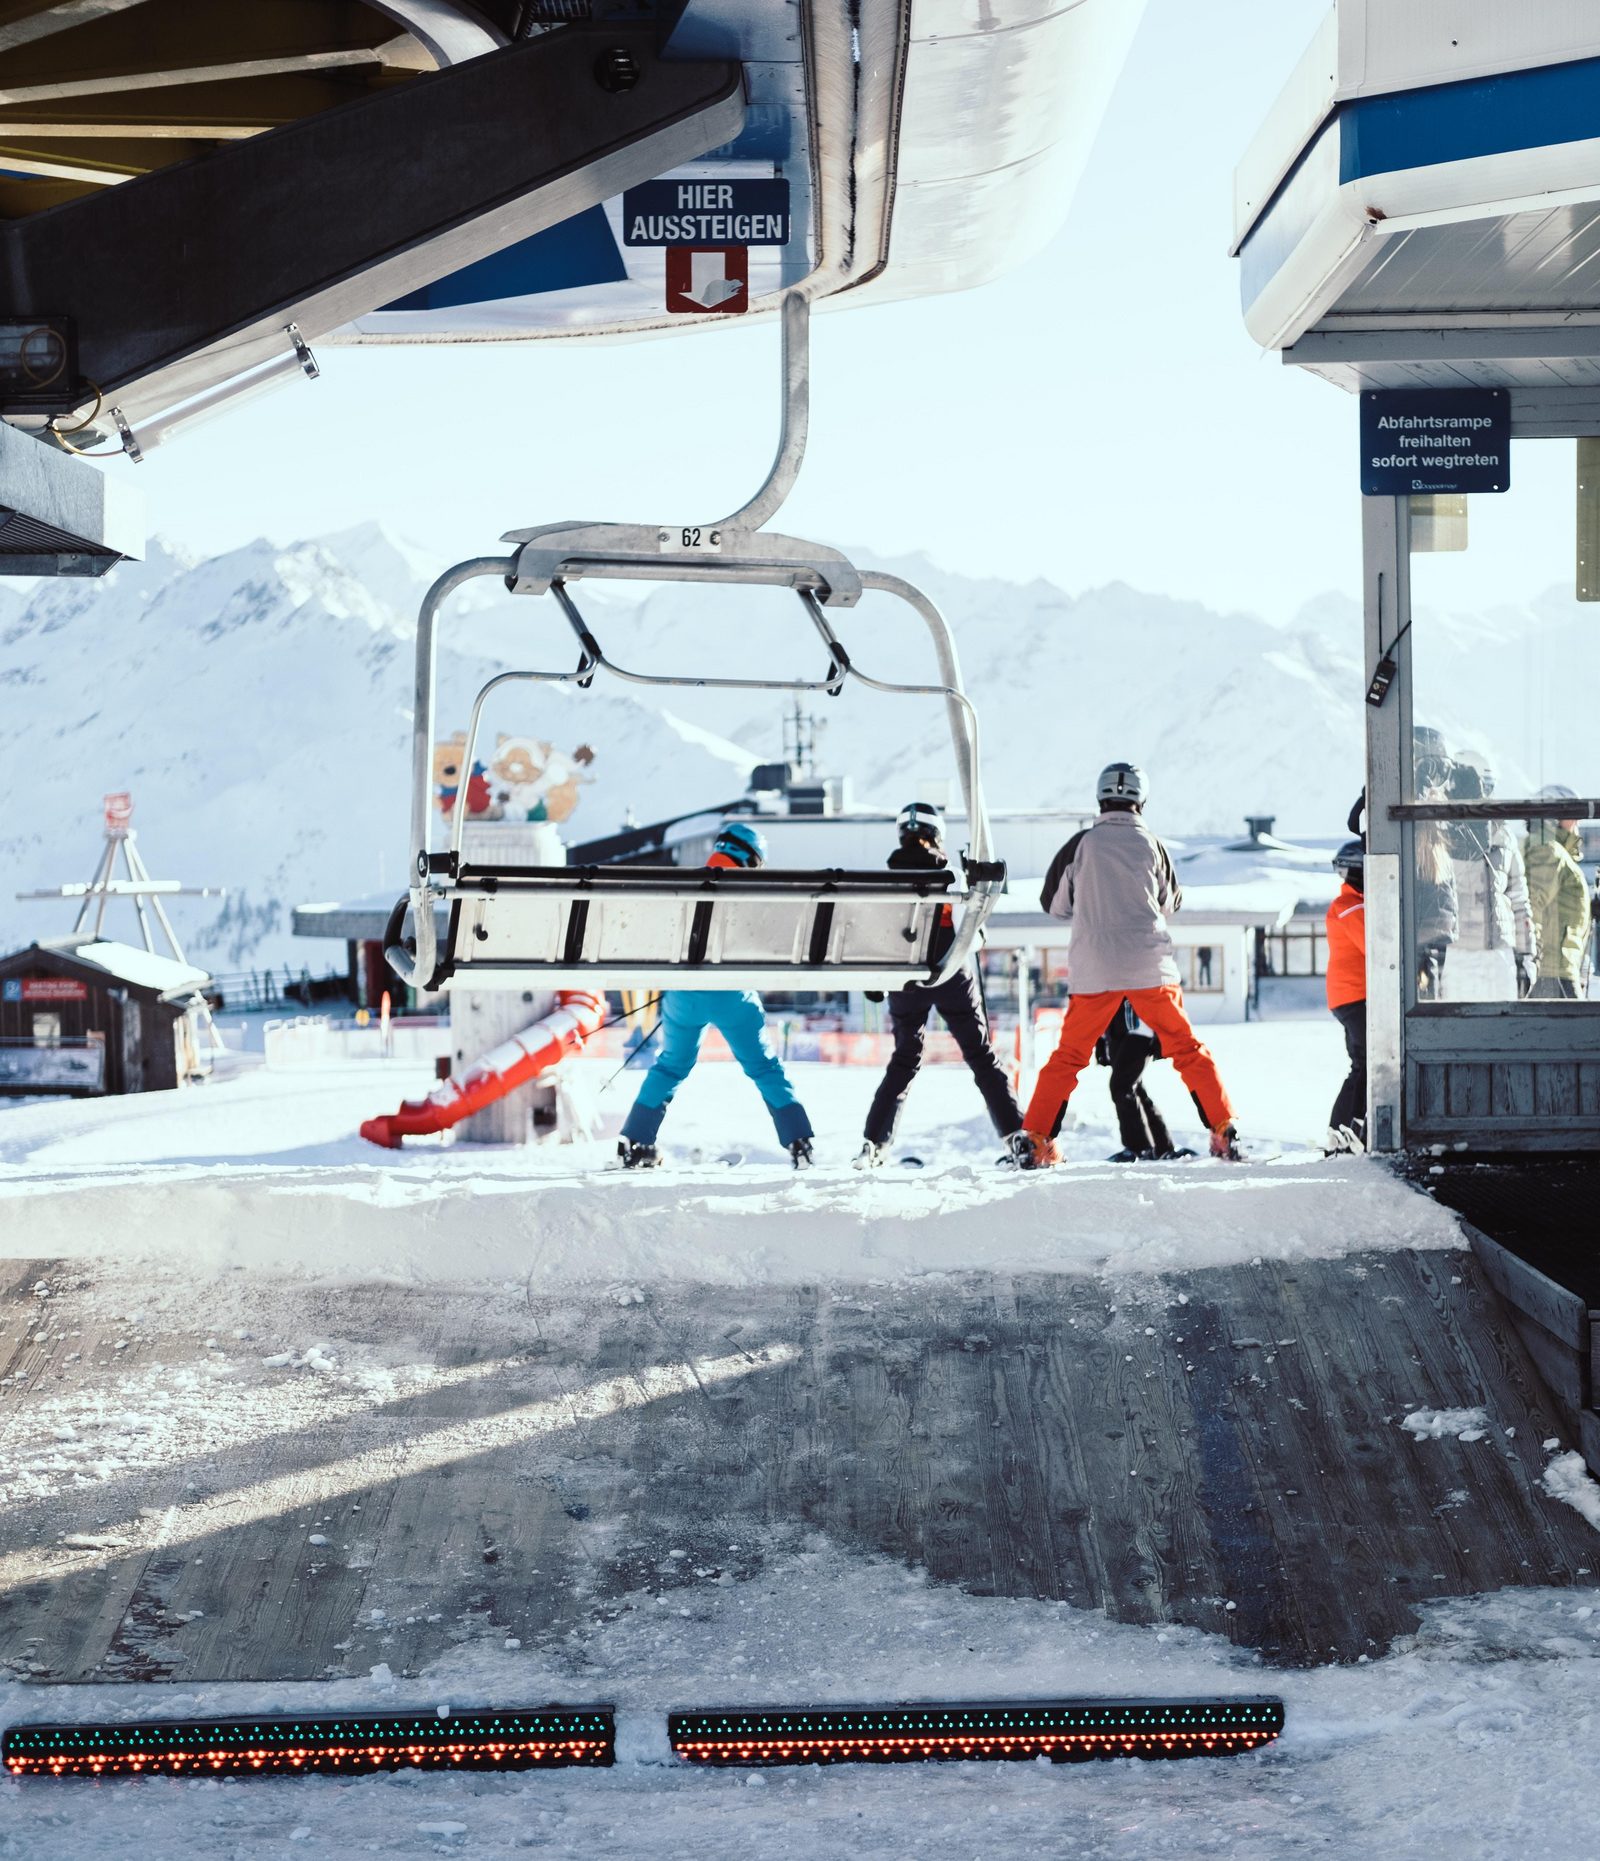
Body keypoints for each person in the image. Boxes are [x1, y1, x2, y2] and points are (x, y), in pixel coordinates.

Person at [1014, 762, 1240, 1167]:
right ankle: (1224, 1127)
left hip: (1094, 969)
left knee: (1068, 1057)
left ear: (1100, 799)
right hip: (1149, 967)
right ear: (1142, 800)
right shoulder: (1153, 844)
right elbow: (1171, 903)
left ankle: (1035, 1138)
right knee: (1187, 1049)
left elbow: (1053, 905)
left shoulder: (1080, 845)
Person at [618, 821, 816, 1168]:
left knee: (670, 1066)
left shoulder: (685, 884)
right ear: (750, 859)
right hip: (731, 994)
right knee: (764, 1067)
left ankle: (636, 1140)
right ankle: (799, 1141)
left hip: (684, 996)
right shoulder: (753, 894)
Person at [855, 801, 1027, 1168]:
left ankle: (874, 1143)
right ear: (937, 835)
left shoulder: (887, 879)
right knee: (981, 1055)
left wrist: (876, 978)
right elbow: (973, 927)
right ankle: (1016, 1136)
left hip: (907, 976)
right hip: (950, 972)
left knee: (904, 1058)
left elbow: (880, 934)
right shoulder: (952, 872)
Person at [1442, 750, 1537, 1000]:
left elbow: (1518, 898)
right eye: (1478, 786)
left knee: (1502, 1030)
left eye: (1488, 787)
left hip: (1500, 954)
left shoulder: (1504, 835)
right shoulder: (1440, 831)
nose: (1484, 794)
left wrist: (1526, 955)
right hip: (1458, 952)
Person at [1094, 1000, 1190, 1161]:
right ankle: (1162, 1146)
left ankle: (1139, 1148)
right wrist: (1101, 1038)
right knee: (1134, 1087)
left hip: (1140, 1029)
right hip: (1116, 1031)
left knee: (1121, 1086)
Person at [1523, 787, 1589, 999]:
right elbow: (1533, 905)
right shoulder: (1548, 850)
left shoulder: (1556, 851)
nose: (1577, 823)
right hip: (1553, 973)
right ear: (1553, 818)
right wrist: (1532, 957)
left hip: (1558, 970)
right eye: (1571, 816)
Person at [1324, 839, 1367, 1152]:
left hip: (1351, 995)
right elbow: (1375, 946)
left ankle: (1344, 1131)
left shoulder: (1352, 902)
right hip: (1355, 996)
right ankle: (1345, 1130)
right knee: (1366, 1063)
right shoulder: (1351, 905)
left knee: (1362, 1064)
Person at [1411, 727, 1458, 999]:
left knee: (1431, 999)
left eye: (1443, 772)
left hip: (1438, 931)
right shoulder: (1408, 817)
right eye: (1430, 769)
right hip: (1417, 932)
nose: (1435, 781)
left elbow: (1476, 848)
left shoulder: (1443, 819)